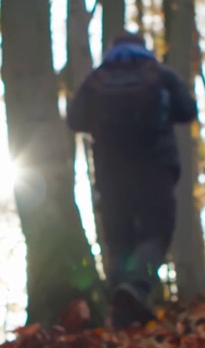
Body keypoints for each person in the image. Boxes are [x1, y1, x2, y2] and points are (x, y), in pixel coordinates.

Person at [66, 32, 197, 328]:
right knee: (156, 233)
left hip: (111, 173)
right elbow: (187, 110)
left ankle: (123, 310)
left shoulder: (97, 78)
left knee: (119, 241)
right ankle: (135, 289)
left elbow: (74, 119)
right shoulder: (159, 73)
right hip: (155, 167)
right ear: (143, 48)